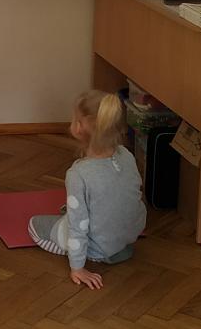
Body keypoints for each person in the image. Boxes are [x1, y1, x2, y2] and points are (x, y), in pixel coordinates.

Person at [28, 90, 146, 290]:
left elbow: (78, 225)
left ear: (79, 127)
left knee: (34, 225)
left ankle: (92, 254)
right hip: (127, 237)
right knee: (80, 208)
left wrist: (78, 268)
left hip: (97, 248)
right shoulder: (126, 154)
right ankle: (114, 247)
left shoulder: (78, 174)